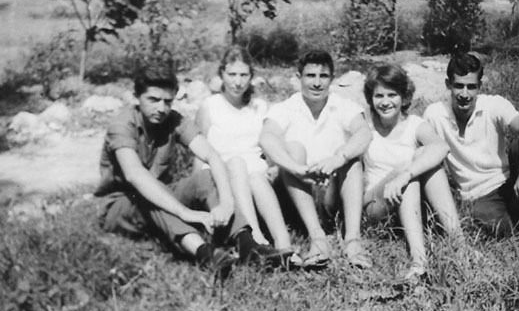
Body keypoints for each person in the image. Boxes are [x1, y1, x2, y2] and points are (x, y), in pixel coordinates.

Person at [95, 60, 289, 275]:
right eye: (153, 100)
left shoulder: (173, 120)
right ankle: (206, 253)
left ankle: (247, 244)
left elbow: (212, 156)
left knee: (206, 176)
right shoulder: (122, 125)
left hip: (160, 192)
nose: (161, 108)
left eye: (167, 101)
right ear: (136, 97)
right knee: (150, 194)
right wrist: (185, 213)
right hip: (120, 205)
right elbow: (135, 176)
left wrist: (226, 203)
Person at [423, 52, 519, 253]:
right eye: (459, 86)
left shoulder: (493, 104)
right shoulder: (434, 115)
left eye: (471, 87)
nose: (465, 94)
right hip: (478, 196)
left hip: (509, 181)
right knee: (491, 222)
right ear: (448, 84)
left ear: (480, 86)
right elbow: (423, 155)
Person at [259, 50, 373, 269]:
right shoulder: (285, 108)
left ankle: (353, 240)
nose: (317, 83)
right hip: (296, 194)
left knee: (351, 157)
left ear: (332, 79)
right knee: (293, 148)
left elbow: (364, 132)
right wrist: (296, 168)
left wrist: (339, 158)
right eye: (310, 76)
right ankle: (317, 238)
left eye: (323, 76)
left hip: (331, 193)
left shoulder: (343, 105)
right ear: (298, 77)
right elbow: (266, 137)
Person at [195, 46, 302, 267]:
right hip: (222, 175)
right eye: (232, 74)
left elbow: (268, 143)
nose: (238, 82)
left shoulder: (259, 106)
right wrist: (198, 186)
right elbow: (199, 149)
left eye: (244, 75)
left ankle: (284, 245)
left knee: (254, 175)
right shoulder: (210, 106)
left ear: (251, 76)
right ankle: (255, 238)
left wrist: (273, 166)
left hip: (256, 175)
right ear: (222, 74)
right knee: (237, 163)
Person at [362, 63, 463, 280]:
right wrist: (404, 174)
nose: (385, 102)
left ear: (404, 97)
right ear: (371, 98)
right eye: (379, 96)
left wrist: (405, 175)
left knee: (424, 160)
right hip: (376, 204)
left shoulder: (415, 124)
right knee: (407, 169)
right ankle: (419, 261)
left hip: (409, 203)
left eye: (392, 95)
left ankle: (460, 244)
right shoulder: (365, 123)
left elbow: (441, 147)